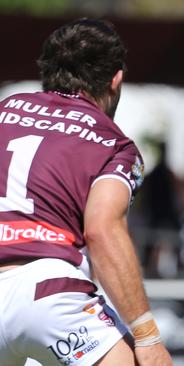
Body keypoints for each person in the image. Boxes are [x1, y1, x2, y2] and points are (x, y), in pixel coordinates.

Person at [0, 19, 172, 365]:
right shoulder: (114, 143)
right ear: (115, 79)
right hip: (48, 293)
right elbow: (102, 230)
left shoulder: (5, 109)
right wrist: (147, 335)